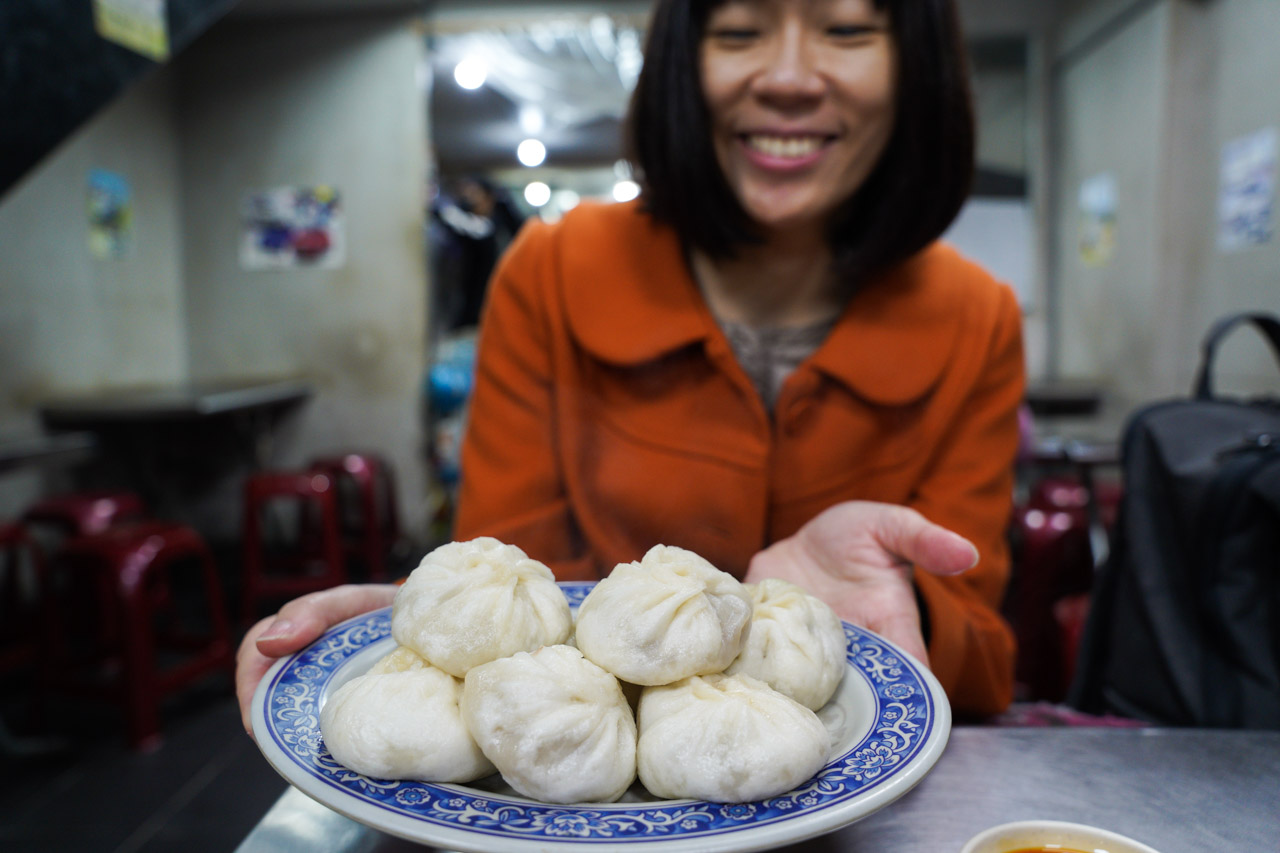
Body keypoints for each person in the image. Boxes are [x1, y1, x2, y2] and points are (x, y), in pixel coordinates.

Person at [237, 0, 1025, 732]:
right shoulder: (551, 272)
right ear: (683, 66)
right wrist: (426, 639)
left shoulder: (975, 317)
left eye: (847, 29)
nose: (787, 77)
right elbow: (517, 595)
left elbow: (983, 650)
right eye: (739, 31)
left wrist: (899, 607)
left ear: (915, 66)